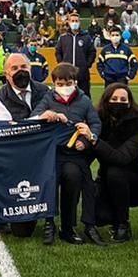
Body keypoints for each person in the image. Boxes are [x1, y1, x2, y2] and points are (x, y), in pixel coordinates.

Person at [29, 63, 103, 245]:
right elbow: (32, 118)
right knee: (49, 178)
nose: (64, 87)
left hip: (74, 153)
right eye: (59, 84)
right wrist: (46, 115)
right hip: (51, 153)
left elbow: (95, 124)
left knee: (75, 176)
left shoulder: (84, 101)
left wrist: (86, 140)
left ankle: (70, 227)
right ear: (53, 84)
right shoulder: (48, 99)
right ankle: (49, 222)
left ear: (75, 82)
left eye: (68, 83)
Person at [92, 82, 138, 243]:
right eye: (114, 98)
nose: (118, 102)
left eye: (123, 99)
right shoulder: (99, 120)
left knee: (115, 172)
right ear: (106, 101)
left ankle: (122, 224)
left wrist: (94, 141)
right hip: (104, 179)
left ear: (130, 102)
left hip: (134, 181)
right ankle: (111, 214)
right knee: (99, 217)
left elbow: (122, 158)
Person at [54, 16, 97, 97]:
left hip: (82, 73)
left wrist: (87, 64)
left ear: (79, 22)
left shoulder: (86, 37)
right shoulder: (63, 37)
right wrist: (62, 64)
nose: (74, 23)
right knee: (66, 96)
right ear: (69, 22)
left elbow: (92, 52)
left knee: (84, 96)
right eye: (72, 21)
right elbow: (58, 52)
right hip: (67, 73)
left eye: (76, 21)